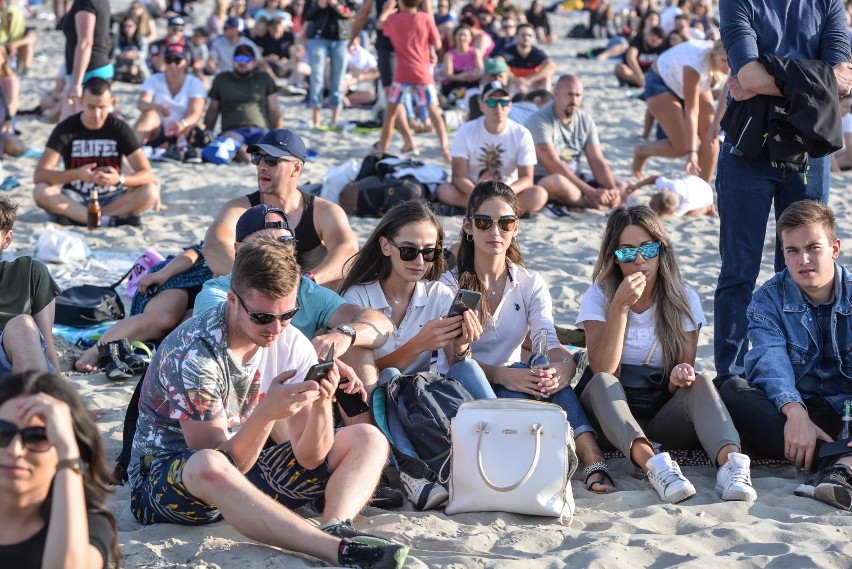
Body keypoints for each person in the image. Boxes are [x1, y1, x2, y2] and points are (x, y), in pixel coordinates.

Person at [129, 238, 409, 567]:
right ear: (233, 301)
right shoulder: (196, 352)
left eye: (287, 315)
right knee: (210, 465)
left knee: (368, 438)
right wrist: (265, 415)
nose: (276, 329)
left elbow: (308, 456)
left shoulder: (287, 339)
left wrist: (322, 401)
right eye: (263, 317)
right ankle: (333, 550)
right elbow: (221, 464)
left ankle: (336, 526)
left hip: (246, 471)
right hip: (171, 484)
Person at [441, 180, 617, 495]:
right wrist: (502, 374)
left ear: (516, 228)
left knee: (540, 368)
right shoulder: (449, 283)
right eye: (484, 222)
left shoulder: (528, 282)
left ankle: (591, 457)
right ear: (468, 226)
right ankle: (586, 455)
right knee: (520, 376)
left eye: (505, 222)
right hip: (463, 388)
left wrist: (564, 368)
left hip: (518, 382)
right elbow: (452, 358)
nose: (495, 231)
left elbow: (546, 339)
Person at [575, 204, 756, 504]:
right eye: (626, 252)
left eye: (648, 248)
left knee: (699, 381)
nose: (639, 260)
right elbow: (602, 367)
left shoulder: (683, 297)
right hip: (609, 416)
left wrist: (678, 377)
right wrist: (619, 307)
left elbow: (679, 380)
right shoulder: (599, 296)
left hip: (661, 410)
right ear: (614, 258)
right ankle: (656, 466)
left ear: (662, 250)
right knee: (604, 381)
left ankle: (732, 465)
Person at [713, 0, 852, 384]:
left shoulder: (827, 3)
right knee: (738, 271)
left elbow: (844, 79)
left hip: (808, 147)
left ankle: (796, 374)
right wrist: (814, 77)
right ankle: (731, 376)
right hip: (748, 147)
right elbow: (748, 75)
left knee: (802, 268)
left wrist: (767, 70)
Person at [339, 199, 493, 508]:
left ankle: (505, 440)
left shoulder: (437, 294)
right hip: (377, 409)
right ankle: (412, 473)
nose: (419, 261)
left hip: (426, 406)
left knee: (471, 369)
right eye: (409, 251)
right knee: (392, 378)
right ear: (385, 246)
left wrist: (462, 344)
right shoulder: (359, 297)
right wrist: (419, 344)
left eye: (429, 251)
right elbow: (357, 376)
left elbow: (453, 367)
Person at [195, 204, 392, 420]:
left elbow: (380, 324)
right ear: (239, 250)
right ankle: (305, 450)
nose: (276, 250)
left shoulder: (304, 290)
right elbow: (230, 334)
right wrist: (310, 355)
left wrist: (345, 334)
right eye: (264, 242)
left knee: (353, 345)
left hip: (304, 394)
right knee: (277, 376)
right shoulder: (218, 291)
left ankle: (364, 433)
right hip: (245, 401)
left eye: (284, 242)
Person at [720, 200, 852, 510]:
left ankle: (836, 463)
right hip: (799, 415)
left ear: (834, 248)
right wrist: (795, 411)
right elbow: (770, 361)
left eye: (813, 247)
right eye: (791, 250)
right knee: (732, 390)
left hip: (847, 410)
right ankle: (842, 462)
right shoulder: (768, 298)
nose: (803, 259)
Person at [204, 129, 358, 288]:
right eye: (258, 158)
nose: (262, 166)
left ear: (296, 168)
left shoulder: (323, 211)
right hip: (254, 297)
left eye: (271, 160)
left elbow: (348, 250)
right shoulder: (239, 208)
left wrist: (307, 281)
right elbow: (214, 245)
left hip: (308, 297)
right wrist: (256, 282)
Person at [0, 371, 120, 568]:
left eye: (37, 436)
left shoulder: (85, 526)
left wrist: (68, 454)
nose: (15, 450)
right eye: (3, 432)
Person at [33, 79, 160, 228]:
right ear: (81, 102)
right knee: (41, 190)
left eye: (102, 107)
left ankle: (82, 217)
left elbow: (147, 173)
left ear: (112, 102)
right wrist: (77, 174)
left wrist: (119, 179)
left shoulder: (119, 128)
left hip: (112, 196)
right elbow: (40, 175)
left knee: (150, 191)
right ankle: (105, 220)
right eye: (91, 107)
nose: (96, 113)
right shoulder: (65, 129)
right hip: (75, 196)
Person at [74, 242, 212, 377]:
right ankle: (96, 350)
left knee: (187, 329)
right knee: (163, 319)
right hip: (189, 275)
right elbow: (200, 250)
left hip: (217, 291)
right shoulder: (230, 223)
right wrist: (163, 274)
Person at [435, 81, 548, 213]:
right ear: (482, 105)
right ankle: (497, 210)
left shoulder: (522, 133)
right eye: (492, 102)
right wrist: (478, 193)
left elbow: (527, 178)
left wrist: (504, 193)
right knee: (444, 190)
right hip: (474, 192)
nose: (498, 107)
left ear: (510, 106)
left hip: (508, 192)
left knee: (539, 195)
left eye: (503, 102)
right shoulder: (466, 131)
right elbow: (458, 175)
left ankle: (485, 209)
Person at [526, 74, 630, 210]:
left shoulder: (585, 120)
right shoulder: (540, 121)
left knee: (623, 187)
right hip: (546, 177)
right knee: (557, 182)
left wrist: (612, 190)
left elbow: (597, 160)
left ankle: (583, 201)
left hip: (575, 177)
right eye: (569, 94)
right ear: (555, 94)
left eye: (578, 95)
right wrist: (592, 192)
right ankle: (589, 204)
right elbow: (554, 165)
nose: (574, 100)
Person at [631, 40, 729, 183]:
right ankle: (642, 151)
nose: (727, 66)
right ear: (714, 56)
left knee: (711, 137)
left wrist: (716, 124)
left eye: (729, 61)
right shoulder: (696, 63)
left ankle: (702, 193)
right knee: (682, 146)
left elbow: (726, 94)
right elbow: (692, 111)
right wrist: (692, 152)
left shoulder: (736, 59)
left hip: (694, 80)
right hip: (661, 81)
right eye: (723, 61)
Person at [376, 0, 451, 162]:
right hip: (422, 72)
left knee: (390, 114)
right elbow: (437, 43)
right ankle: (445, 149)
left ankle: (382, 149)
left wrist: (386, 10)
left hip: (402, 73)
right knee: (434, 113)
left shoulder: (394, 19)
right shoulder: (425, 18)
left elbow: (380, 25)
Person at [0, 197, 61, 377]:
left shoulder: (29, 273)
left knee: (23, 325)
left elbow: (47, 344)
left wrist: (67, 398)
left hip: (19, 367)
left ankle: (40, 401)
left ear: (6, 239)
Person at [204, 44, 282, 158]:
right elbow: (213, 109)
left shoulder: (264, 79)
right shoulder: (221, 79)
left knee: (267, 152)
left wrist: (279, 137)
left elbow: (274, 111)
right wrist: (208, 131)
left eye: (247, 59)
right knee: (230, 150)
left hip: (259, 129)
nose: (242, 62)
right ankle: (243, 153)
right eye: (238, 59)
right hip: (233, 130)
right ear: (232, 61)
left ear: (254, 62)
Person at [133, 43, 206, 163]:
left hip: (183, 131)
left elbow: (195, 113)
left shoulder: (194, 83)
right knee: (148, 115)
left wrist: (182, 124)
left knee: (194, 124)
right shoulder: (154, 79)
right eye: (169, 60)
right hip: (158, 130)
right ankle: (132, 150)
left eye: (177, 60)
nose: (173, 65)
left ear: (185, 62)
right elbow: (141, 103)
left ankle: (171, 148)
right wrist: (157, 107)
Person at [302, 0, 357, 129]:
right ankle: (316, 119)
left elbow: (352, 13)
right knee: (317, 78)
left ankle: (335, 118)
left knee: (338, 80)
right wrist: (318, 6)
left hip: (341, 39)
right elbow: (305, 16)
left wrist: (335, 4)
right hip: (317, 38)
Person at [61, 0, 112, 120]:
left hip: (89, 73)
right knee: (64, 131)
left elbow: (86, 42)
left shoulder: (85, 2)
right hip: (91, 70)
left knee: (82, 129)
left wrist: (76, 83)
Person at [498, 22, 555, 94]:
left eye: (530, 35)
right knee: (500, 74)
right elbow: (498, 61)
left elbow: (551, 66)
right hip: (512, 85)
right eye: (523, 35)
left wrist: (529, 80)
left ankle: (543, 102)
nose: (526, 38)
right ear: (516, 37)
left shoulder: (536, 52)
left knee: (547, 77)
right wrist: (516, 81)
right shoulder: (509, 51)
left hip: (531, 85)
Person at [630, 173, 716, 217]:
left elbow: (674, 215)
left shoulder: (685, 205)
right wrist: (637, 185)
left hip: (707, 196)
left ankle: (708, 209)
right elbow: (655, 178)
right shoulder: (669, 186)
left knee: (690, 213)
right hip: (698, 182)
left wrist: (637, 185)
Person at [441, 24, 484, 99]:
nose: (462, 38)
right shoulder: (449, 55)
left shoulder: (475, 52)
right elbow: (448, 75)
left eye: (464, 35)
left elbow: (481, 70)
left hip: (471, 83)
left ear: (470, 37)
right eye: (459, 35)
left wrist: (473, 76)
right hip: (454, 85)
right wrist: (462, 76)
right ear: (454, 37)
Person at [0, 0, 37, 75]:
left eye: (11, 16)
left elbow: (33, 37)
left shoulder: (21, 28)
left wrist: (16, 43)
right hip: (6, 53)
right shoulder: (2, 27)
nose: (9, 19)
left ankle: (25, 70)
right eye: (8, 16)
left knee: (28, 45)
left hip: (18, 51)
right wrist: (7, 44)